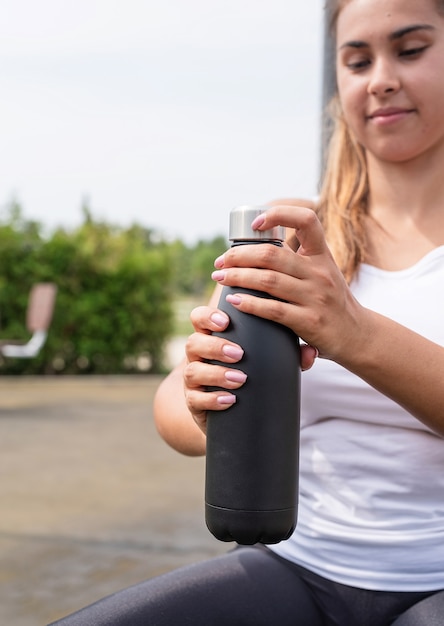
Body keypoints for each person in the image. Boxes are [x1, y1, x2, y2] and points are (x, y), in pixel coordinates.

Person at [50, 0, 444, 624]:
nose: (380, 78)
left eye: (411, 49)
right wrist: (203, 395)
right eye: (357, 59)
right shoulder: (291, 230)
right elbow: (174, 409)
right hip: (300, 563)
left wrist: (353, 331)